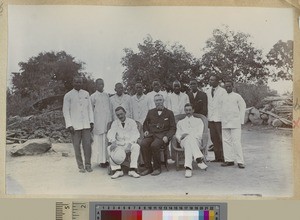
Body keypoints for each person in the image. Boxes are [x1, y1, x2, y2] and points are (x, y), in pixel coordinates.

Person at [63, 76, 94, 173]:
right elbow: (66, 111)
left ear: (82, 83)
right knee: (76, 146)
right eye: (76, 82)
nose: (78, 84)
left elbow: (90, 109)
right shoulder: (68, 95)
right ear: (73, 82)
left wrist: (91, 121)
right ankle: (80, 166)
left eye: (80, 82)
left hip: (86, 125)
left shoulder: (86, 94)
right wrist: (69, 125)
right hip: (74, 126)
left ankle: (88, 165)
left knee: (88, 146)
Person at [140, 94, 176, 176]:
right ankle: (148, 167)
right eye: (156, 100)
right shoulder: (151, 112)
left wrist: (167, 136)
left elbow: (173, 128)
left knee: (154, 145)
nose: (158, 102)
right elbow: (145, 124)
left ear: (163, 101)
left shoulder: (169, 113)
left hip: (163, 136)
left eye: (160, 100)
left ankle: (157, 168)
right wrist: (145, 130)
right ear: (154, 102)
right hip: (152, 135)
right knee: (143, 144)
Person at [107, 106, 141, 179]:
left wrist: (130, 144)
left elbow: (135, 134)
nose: (120, 116)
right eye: (118, 115)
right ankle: (118, 170)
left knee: (136, 147)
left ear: (125, 113)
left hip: (129, 143)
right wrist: (113, 142)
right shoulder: (115, 123)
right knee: (109, 148)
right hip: (119, 144)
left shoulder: (131, 122)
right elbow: (111, 133)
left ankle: (132, 169)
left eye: (121, 114)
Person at [175, 103, 208, 178]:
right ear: (184, 111)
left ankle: (188, 168)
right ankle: (199, 159)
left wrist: (189, 135)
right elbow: (177, 134)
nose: (188, 112)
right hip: (183, 141)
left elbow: (200, 134)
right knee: (188, 140)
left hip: (196, 141)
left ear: (193, 110)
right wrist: (181, 137)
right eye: (186, 110)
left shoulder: (199, 120)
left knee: (189, 141)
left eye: (190, 110)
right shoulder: (180, 122)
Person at [220, 81, 246, 168]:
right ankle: (229, 160)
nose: (228, 88)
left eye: (229, 86)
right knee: (226, 141)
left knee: (236, 141)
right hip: (225, 122)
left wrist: (241, 120)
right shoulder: (222, 97)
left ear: (232, 86)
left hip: (235, 122)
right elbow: (219, 108)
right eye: (226, 86)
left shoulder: (237, 96)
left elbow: (243, 107)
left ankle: (240, 161)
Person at [90, 78, 112, 168]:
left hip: (107, 121)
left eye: (102, 84)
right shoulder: (93, 96)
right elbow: (91, 110)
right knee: (99, 141)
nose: (101, 86)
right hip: (98, 122)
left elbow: (109, 109)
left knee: (106, 141)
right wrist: (91, 122)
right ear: (96, 85)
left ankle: (106, 160)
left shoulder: (107, 95)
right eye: (99, 84)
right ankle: (100, 161)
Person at [206, 75, 227, 163]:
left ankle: (225, 157)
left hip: (219, 118)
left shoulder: (223, 91)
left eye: (213, 80)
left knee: (221, 138)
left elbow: (225, 105)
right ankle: (217, 157)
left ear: (217, 81)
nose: (211, 81)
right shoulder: (207, 91)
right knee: (213, 138)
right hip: (211, 118)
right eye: (210, 80)